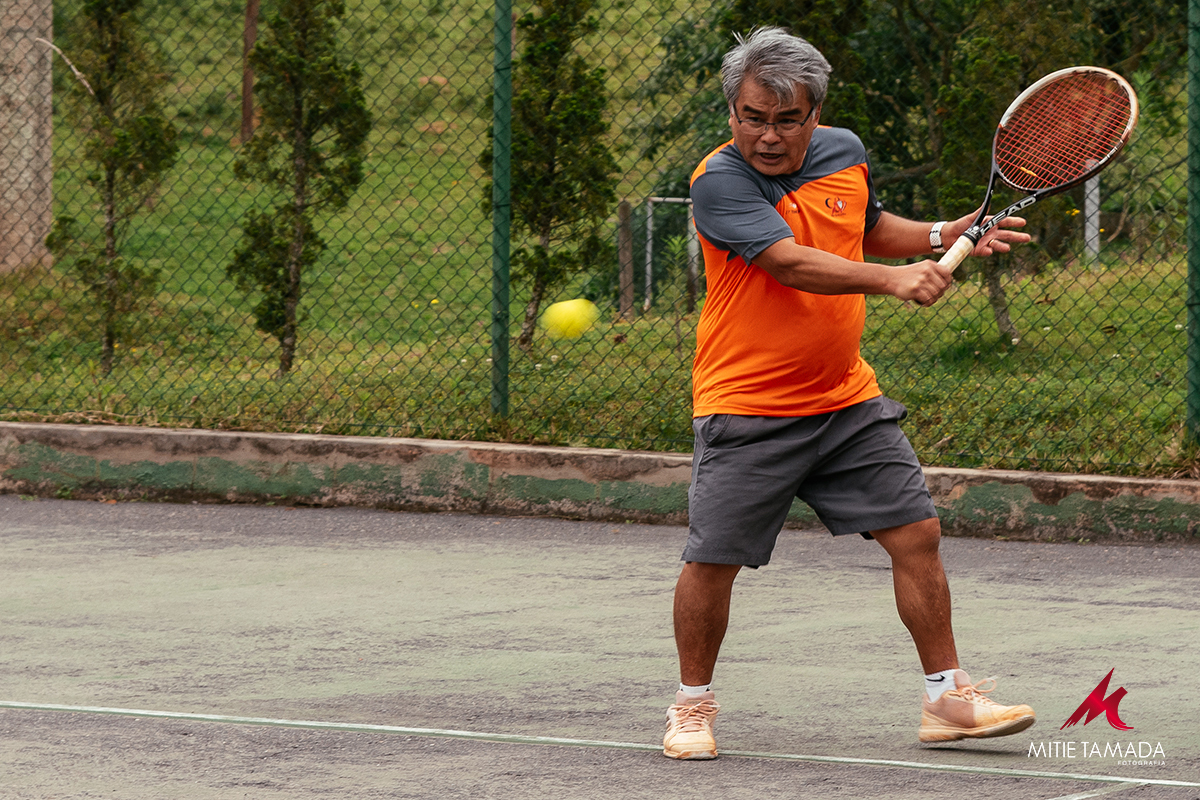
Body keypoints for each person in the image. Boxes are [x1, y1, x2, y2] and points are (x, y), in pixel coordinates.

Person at [663, 26, 1037, 761]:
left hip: (845, 400)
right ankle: (690, 705)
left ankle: (947, 698)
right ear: (732, 112)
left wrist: (942, 234)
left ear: (816, 113)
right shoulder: (719, 181)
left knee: (916, 534)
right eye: (751, 117)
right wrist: (894, 282)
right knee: (714, 560)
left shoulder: (844, 152)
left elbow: (862, 227)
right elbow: (791, 262)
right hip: (748, 407)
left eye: (787, 119)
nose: (767, 136)